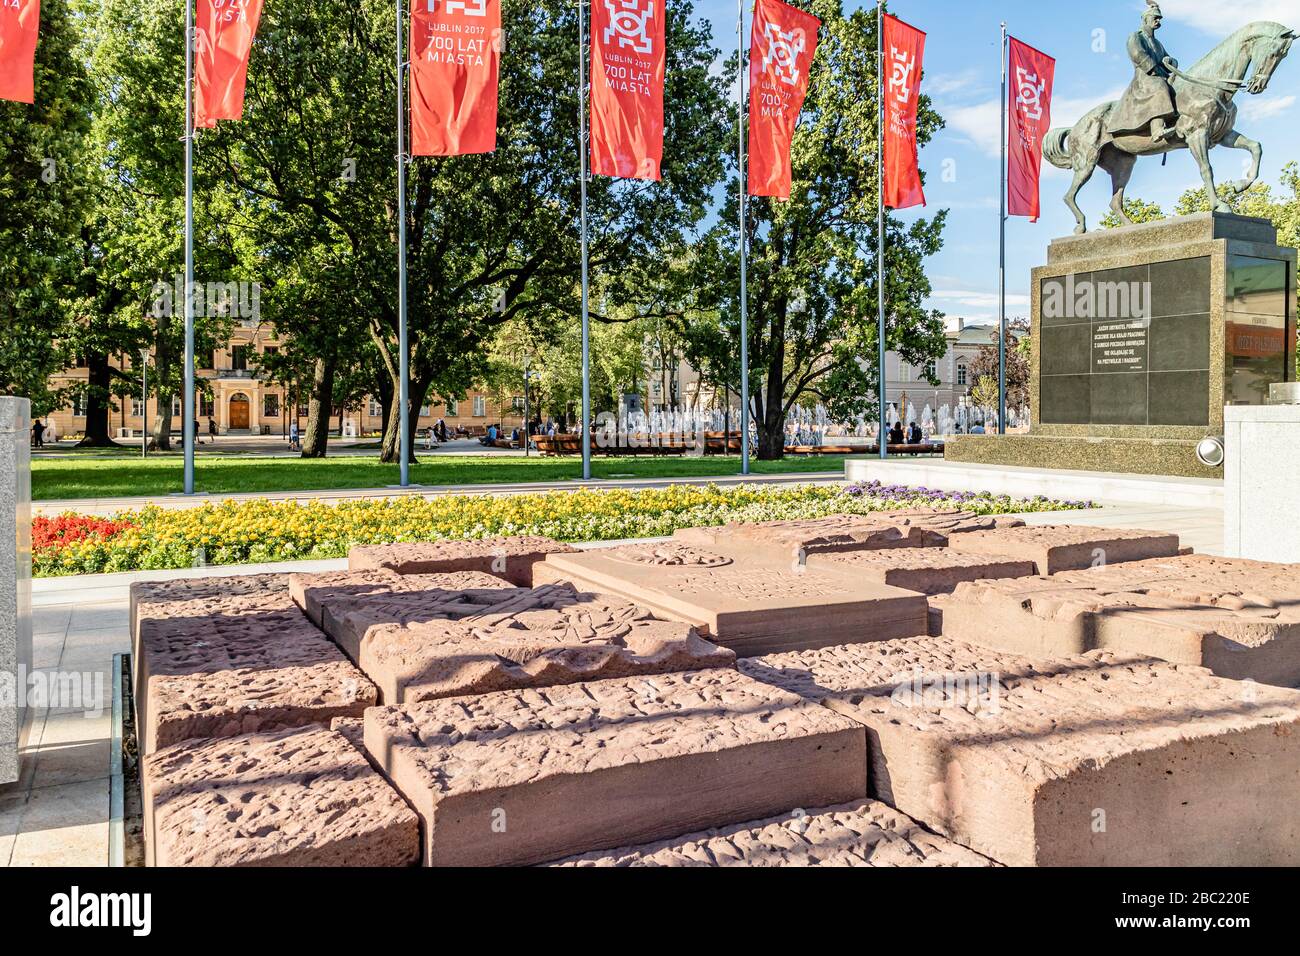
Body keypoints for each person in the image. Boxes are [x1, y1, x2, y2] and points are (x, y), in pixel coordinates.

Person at [1107, 1, 1179, 144]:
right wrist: (1155, 69)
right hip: (1145, 78)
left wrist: (1170, 61)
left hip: (1160, 75)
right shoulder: (1136, 36)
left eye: (1159, 19)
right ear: (1146, 19)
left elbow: (1168, 59)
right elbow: (1138, 54)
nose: (1158, 21)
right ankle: (1157, 130)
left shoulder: (1158, 43)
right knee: (1160, 87)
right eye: (1155, 18)